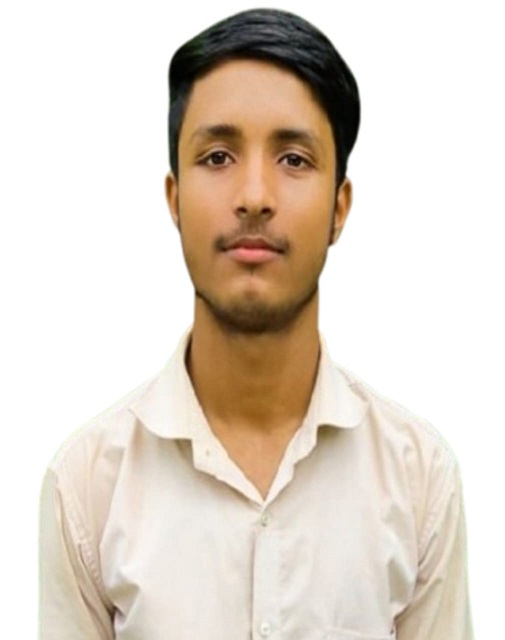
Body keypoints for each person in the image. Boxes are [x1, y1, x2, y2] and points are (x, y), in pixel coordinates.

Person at [39, 8, 473, 639]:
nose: (254, 196)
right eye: (217, 156)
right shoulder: (87, 487)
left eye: (293, 159)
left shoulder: (419, 479)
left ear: (340, 207)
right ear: (174, 200)